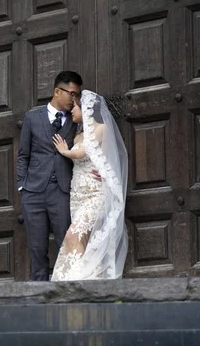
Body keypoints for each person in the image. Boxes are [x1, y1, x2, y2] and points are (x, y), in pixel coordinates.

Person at [51, 90, 128, 280]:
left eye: (75, 107)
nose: (71, 111)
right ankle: (83, 284)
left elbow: (84, 153)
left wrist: (65, 151)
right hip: (78, 195)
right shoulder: (78, 136)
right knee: (80, 240)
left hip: (95, 194)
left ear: (87, 109)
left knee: (72, 235)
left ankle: (85, 281)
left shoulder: (102, 129)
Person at [16, 71, 82, 281]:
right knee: (37, 249)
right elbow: (23, 155)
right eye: (71, 93)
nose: (74, 99)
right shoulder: (32, 117)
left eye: (77, 95)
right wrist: (22, 186)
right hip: (33, 194)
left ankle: (68, 295)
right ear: (57, 91)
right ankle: (38, 300)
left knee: (67, 246)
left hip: (62, 192)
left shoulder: (76, 120)